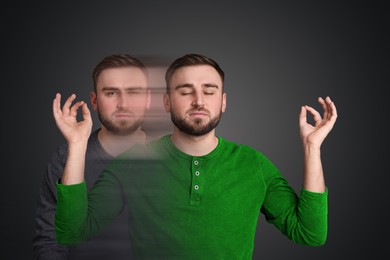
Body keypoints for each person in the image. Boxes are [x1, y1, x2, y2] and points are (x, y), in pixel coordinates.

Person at [54, 53, 338, 259]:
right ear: (166, 102)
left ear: (223, 102)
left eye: (209, 91)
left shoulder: (254, 165)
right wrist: (77, 145)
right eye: (185, 91)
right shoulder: (133, 164)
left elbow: (310, 234)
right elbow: (73, 232)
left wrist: (312, 148)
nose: (199, 101)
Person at [33, 54, 154, 259]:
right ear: (95, 101)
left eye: (133, 92)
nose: (123, 103)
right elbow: (50, 242)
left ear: (148, 99)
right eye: (111, 93)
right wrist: (77, 145)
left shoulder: (174, 156)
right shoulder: (66, 158)